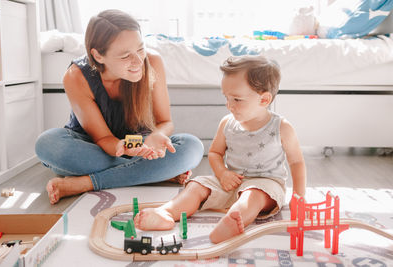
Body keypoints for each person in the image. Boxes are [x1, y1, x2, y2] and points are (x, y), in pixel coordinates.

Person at [35, 10, 204, 204]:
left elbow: (165, 122)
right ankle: (153, 173)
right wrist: (119, 147)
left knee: (192, 147)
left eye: (141, 49)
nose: (139, 61)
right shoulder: (75, 76)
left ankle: (86, 183)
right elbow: (103, 138)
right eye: (125, 56)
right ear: (98, 56)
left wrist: (156, 135)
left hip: (143, 145)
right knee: (47, 144)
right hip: (94, 146)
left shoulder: (153, 61)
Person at [134, 55, 306, 243]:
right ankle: (166, 213)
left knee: (252, 196)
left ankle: (233, 222)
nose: (229, 105)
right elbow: (215, 153)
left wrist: (299, 197)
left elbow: (296, 162)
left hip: (265, 185)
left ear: (264, 99)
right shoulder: (227, 123)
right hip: (229, 182)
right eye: (227, 98)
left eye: (237, 100)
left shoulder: (281, 127)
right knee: (197, 185)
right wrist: (222, 173)